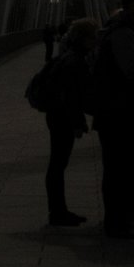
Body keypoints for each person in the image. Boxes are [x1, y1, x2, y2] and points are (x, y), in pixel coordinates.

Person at [92, 0, 134, 239]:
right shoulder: (124, 34)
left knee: (122, 167)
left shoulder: (118, 31)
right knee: (119, 168)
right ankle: (117, 223)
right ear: (129, 7)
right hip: (120, 113)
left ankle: (122, 216)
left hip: (116, 112)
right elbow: (130, 71)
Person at [41, 17, 99, 228]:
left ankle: (59, 210)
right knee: (58, 164)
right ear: (83, 39)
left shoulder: (69, 57)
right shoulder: (74, 61)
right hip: (61, 118)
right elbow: (72, 96)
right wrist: (78, 123)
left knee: (58, 163)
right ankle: (57, 213)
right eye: (93, 37)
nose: (95, 41)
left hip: (57, 115)